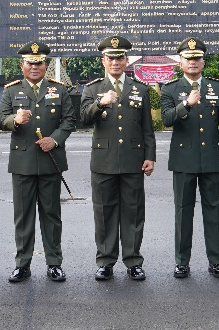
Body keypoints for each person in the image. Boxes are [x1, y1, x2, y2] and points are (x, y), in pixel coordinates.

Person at [0, 41, 77, 282]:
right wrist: (15, 120)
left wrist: (55, 139)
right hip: (23, 162)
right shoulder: (11, 90)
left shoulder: (59, 89)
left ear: (45, 65)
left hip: (51, 160)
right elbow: (0, 120)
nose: (34, 67)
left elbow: (69, 121)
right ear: (22, 66)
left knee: (52, 214)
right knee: (23, 215)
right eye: (30, 63)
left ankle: (54, 263)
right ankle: (22, 264)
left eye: (39, 63)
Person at [79, 35, 156, 281]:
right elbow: (83, 120)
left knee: (133, 212)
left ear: (126, 60)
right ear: (103, 61)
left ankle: (133, 261)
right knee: (104, 213)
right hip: (104, 161)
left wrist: (150, 157)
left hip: (133, 160)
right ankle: (105, 261)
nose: (115, 62)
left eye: (120, 58)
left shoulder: (140, 89)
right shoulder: (92, 89)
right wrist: (100, 103)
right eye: (110, 58)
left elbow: (147, 129)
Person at [160, 37, 219, 279]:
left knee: (213, 211)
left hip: (212, 158)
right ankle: (182, 262)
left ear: (203, 62)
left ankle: (217, 261)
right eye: (188, 59)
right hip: (184, 160)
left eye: (197, 58)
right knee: (183, 212)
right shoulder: (170, 89)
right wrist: (186, 105)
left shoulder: (216, 88)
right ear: (180, 62)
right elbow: (166, 120)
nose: (193, 62)